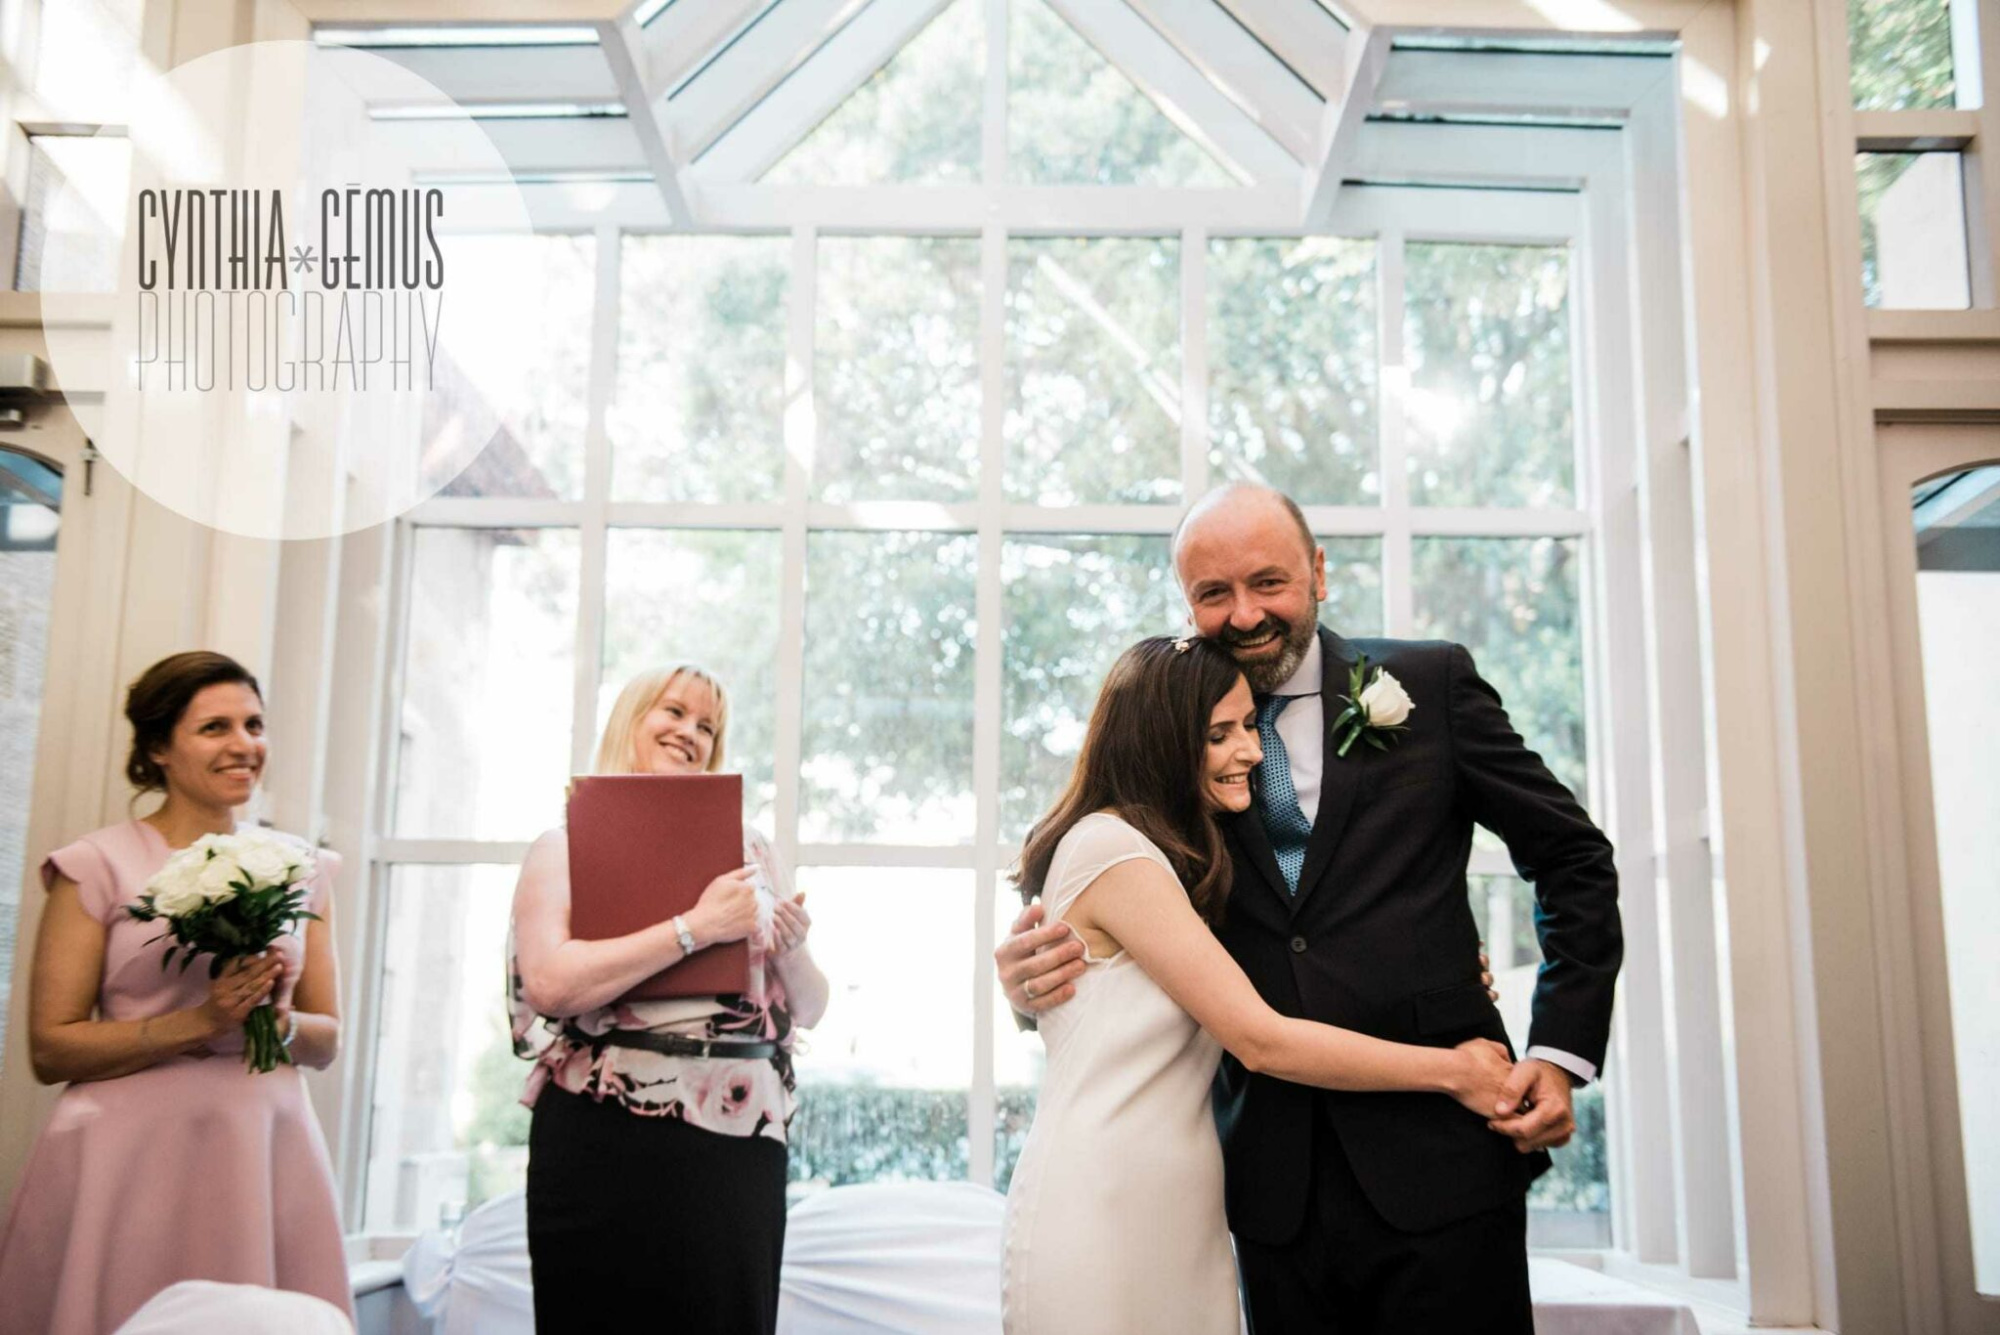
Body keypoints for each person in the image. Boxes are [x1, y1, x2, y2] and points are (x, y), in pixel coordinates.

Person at [998, 483, 1624, 1334]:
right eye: (1212, 594)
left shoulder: (1431, 684)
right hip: (1266, 1181)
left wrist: (1558, 1050)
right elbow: (1120, 924)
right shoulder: (1177, 735)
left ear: (1320, 571)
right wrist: (1029, 986)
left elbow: (1573, 857)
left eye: (1269, 582)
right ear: (1186, 601)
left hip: (1444, 1151)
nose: (1245, 613)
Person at [1002, 635, 1513, 1335]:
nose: (1250, 751)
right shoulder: (1110, 847)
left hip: (1184, 1206)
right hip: (1105, 1200)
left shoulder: (1177, 861)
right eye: (1220, 734)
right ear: (1159, 740)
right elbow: (1260, 1038)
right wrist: (1457, 1070)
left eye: (1249, 724)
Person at [0, 651, 350, 1335]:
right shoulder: (95, 864)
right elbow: (50, 1047)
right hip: (126, 1161)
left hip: (262, 1146)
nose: (244, 745)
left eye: (254, 724)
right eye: (215, 727)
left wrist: (275, 1023)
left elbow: (328, 1037)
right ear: (158, 747)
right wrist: (201, 1020)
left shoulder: (299, 865)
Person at [511, 663, 829, 1335]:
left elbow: (812, 1005)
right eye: (674, 712)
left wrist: (790, 947)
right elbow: (550, 982)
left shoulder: (753, 855)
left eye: (708, 726)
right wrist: (698, 928)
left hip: (736, 1143)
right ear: (632, 716)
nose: (691, 732)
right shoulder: (562, 847)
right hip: (605, 1137)